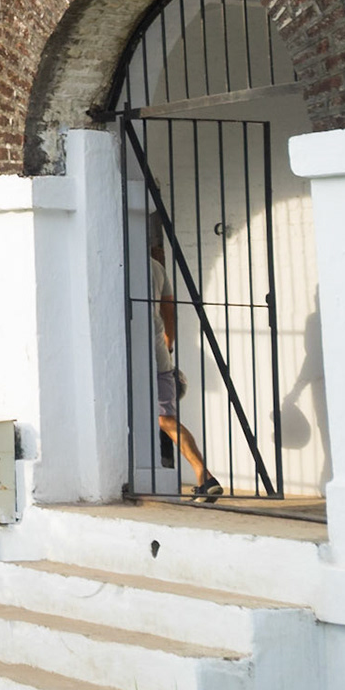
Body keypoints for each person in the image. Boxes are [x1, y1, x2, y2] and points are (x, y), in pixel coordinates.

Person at [149, 213, 222, 500]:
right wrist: (168, 344)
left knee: (146, 419)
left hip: (133, 355)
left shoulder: (120, 264)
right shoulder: (157, 268)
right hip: (158, 353)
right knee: (166, 419)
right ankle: (204, 474)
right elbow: (169, 311)